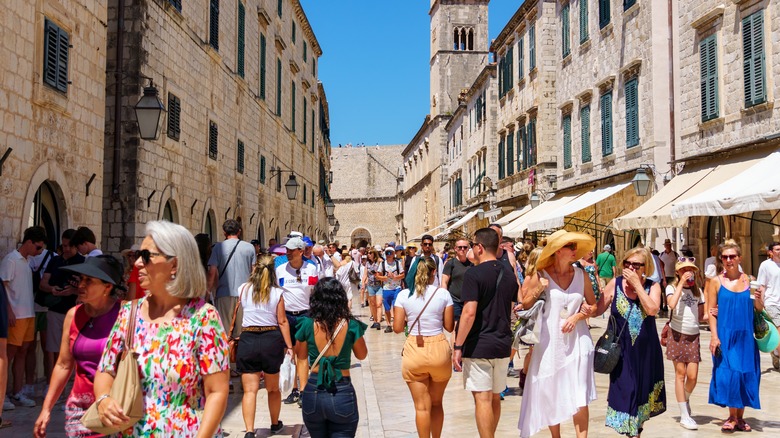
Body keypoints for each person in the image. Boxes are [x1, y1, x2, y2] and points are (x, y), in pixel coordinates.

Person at [94, 221, 230, 436]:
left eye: (147, 256)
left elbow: (217, 391)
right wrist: (103, 399)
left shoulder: (203, 318)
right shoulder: (129, 313)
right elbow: (105, 369)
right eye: (139, 254)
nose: (138, 263)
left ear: (174, 265)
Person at [517, 230, 597, 438]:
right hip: (550, 342)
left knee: (580, 394)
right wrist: (538, 290)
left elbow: (593, 306)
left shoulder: (581, 275)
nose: (574, 250)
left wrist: (577, 317)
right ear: (557, 250)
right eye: (570, 246)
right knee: (552, 391)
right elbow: (525, 304)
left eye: (574, 247)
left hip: (578, 341)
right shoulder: (541, 275)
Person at [34, 255, 123, 437]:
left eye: (89, 280)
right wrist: (46, 409)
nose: (81, 285)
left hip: (115, 409)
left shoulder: (125, 315)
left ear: (108, 287)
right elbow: (63, 364)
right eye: (81, 279)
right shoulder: (73, 315)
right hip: (79, 411)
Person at [452, 228, 519, 438]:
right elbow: (518, 300)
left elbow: (469, 313)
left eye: (472, 245)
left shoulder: (474, 273)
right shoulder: (508, 274)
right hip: (502, 344)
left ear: (479, 247)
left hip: (479, 344)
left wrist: (457, 345)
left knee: (482, 399)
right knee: (495, 397)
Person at [594, 247, 666, 437]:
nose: (631, 267)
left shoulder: (653, 286)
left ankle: (635, 433)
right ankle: (633, 434)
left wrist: (638, 286)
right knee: (627, 392)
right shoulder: (615, 284)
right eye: (628, 263)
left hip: (646, 354)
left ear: (646, 267)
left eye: (636, 264)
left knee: (642, 396)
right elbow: (597, 309)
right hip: (622, 354)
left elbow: (652, 309)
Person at [295, 278, 368, 437]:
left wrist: (303, 390)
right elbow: (362, 355)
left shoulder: (307, 324)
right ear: (340, 298)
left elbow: (301, 358)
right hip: (341, 389)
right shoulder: (351, 325)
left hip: (313, 390)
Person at [393, 256, 454, 438]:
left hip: (414, 349)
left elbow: (397, 328)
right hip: (438, 349)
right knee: (436, 403)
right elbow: (449, 326)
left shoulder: (404, 295)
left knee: (421, 407)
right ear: (434, 272)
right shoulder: (443, 294)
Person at [706, 240, 761, 432]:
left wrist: (760, 299)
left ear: (739, 257)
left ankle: (740, 417)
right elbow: (710, 313)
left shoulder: (750, 280)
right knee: (728, 374)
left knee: (745, 373)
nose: (729, 260)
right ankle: (731, 416)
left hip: (746, 335)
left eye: (732, 256)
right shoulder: (715, 282)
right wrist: (714, 336)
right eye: (725, 257)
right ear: (721, 259)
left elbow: (758, 309)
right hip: (725, 335)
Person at [237, 255, 293, 437]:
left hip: (248, 339)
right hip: (271, 339)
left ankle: (250, 430)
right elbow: (282, 321)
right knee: (272, 388)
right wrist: (289, 346)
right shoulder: (277, 293)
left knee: (250, 390)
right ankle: (275, 423)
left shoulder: (243, 289)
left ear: (255, 269)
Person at [0, 226, 46, 408]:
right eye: (38, 247)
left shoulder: (27, 262)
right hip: (16, 316)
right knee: (8, 354)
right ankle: (1, 397)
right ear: (28, 242)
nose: (39, 251)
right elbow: (2, 286)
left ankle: (17, 393)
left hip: (29, 314)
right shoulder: (11, 260)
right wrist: (8, 311)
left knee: (22, 353)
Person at [278, 237, 319, 405]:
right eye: (286, 250)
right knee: (289, 354)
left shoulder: (311, 268)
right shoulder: (280, 270)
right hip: (286, 317)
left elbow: (314, 292)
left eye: (291, 250)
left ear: (300, 252)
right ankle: (293, 389)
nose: (287, 253)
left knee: (302, 355)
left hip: (305, 315)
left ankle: (303, 391)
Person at [38, 229, 84, 382]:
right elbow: (43, 283)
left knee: (76, 348)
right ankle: (54, 382)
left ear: (76, 246)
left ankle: (72, 382)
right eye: (63, 246)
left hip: (76, 311)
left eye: (69, 246)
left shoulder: (83, 263)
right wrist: (52, 289)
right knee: (53, 348)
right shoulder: (55, 261)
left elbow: (89, 289)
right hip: (55, 310)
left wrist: (74, 291)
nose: (66, 249)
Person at [665, 258, 704, 430]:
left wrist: (715, 311)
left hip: (693, 335)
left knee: (693, 376)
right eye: (683, 269)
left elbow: (701, 316)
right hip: (677, 334)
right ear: (677, 272)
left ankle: (685, 399)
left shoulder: (698, 292)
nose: (688, 272)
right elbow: (671, 304)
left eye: (690, 269)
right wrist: (681, 283)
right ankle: (684, 415)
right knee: (680, 374)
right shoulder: (671, 288)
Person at [208, 219, 257, 340]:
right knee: (242, 333)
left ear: (224, 232)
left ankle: (227, 357)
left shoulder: (218, 248)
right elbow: (254, 272)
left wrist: (209, 291)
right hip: (244, 296)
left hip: (223, 294)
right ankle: (239, 356)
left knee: (224, 333)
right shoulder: (250, 248)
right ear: (239, 231)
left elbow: (213, 272)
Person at [756, 241, 780, 370]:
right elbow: (762, 285)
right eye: (777, 249)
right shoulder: (765, 265)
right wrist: (762, 303)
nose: (779, 251)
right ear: (770, 252)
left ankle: (776, 353)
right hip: (772, 302)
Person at [441, 238, 473, 331]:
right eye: (460, 247)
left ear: (468, 248)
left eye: (465, 247)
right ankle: (456, 345)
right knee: (456, 328)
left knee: (468, 327)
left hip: (469, 300)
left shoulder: (472, 263)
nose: (462, 249)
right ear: (455, 248)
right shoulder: (450, 263)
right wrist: (444, 299)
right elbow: (444, 282)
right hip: (454, 300)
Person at [377, 247, 405, 333]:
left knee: (396, 307)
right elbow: (378, 276)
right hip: (386, 289)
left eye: (390, 253)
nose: (388, 255)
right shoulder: (382, 264)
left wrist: (395, 277)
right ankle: (389, 325)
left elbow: (403, 275)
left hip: (396, 288)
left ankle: (397, 324)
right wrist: (385, 277)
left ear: (393, 254)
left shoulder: (398, 264)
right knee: (387, 308)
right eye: (387, 253)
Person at [364, 249, 384, 330]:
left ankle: (378, 322)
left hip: (379, 285)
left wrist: (378, 274)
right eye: (367, 253)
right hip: (370, 285)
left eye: (370, 253)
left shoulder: (380, 262)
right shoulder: (367, 263)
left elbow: (383, 272)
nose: (368, 254)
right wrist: (363, 283)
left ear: (374, 254)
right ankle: (375, 321)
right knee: (372, 304)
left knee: (378, 304)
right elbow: (365, 274)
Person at [658, 239, 679, 312]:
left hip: (673, 275)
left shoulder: (675, 254)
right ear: (664, 246)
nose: (668, 246)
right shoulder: (661, 255)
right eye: (666, 244)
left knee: (673, 290)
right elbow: (660, 267)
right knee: (664, 291)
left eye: (669, 244)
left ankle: (673, 303)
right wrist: (663, 278)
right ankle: (665, 305)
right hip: (664, 275)